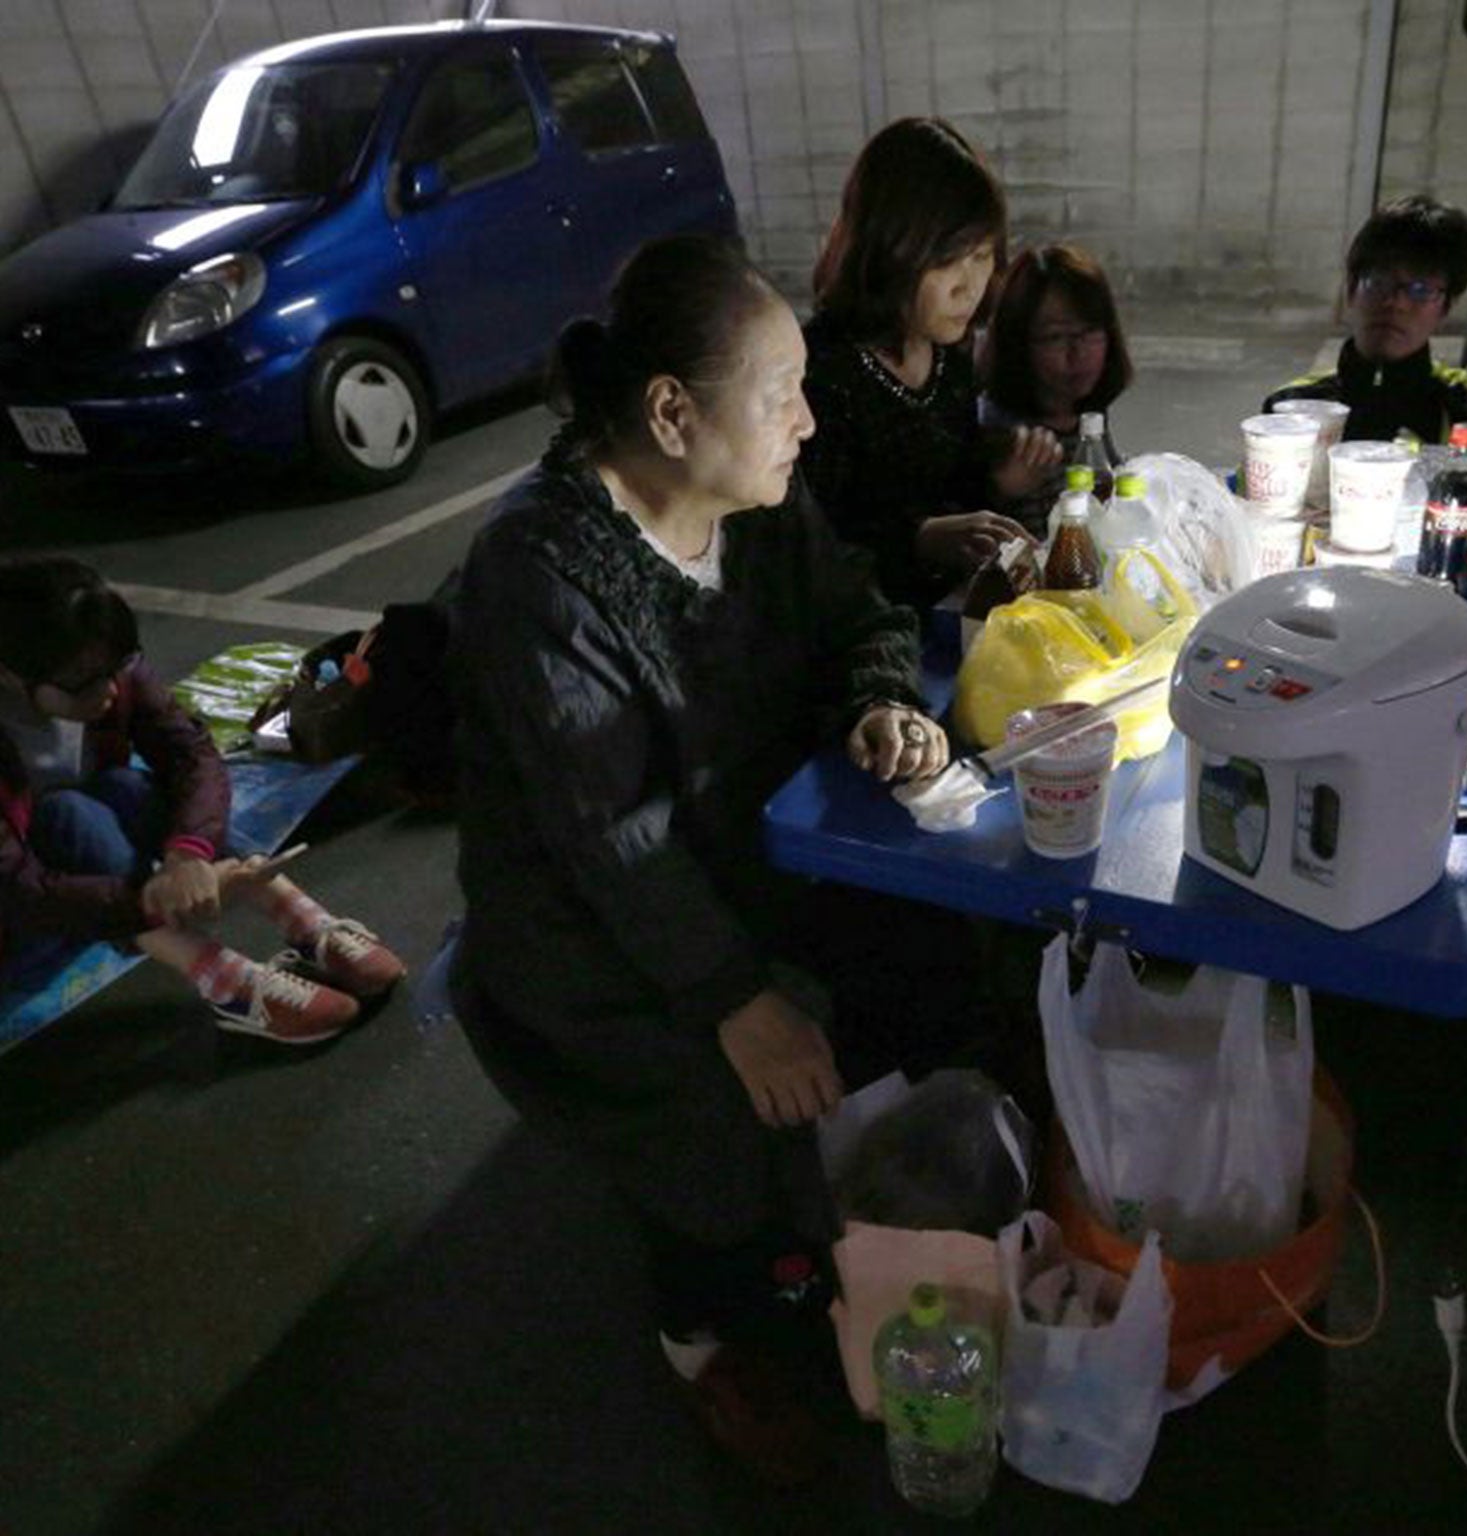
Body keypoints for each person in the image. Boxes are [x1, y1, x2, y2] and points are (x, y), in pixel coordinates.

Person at [449, 233, 993, 1483]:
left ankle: (850, 1233)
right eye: (782, 392)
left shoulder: (754, 503)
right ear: (669, 411)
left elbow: (859, 609)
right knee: (727, 1120)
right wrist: (732, 1003)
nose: (805, 421)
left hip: (732, 859)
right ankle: (697, 1333)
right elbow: (610, 840)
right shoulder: (538, 577)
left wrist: (875, 701)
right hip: (587, 933)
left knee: (917, 965)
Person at [0, 557, 405, 1042]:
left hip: (76, 839)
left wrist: (188, 854)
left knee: (127, 787)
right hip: (24, 889)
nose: (110, 689)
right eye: (86, 681)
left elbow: (188, 751)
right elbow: (20, 892)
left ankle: (302, 920)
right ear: (9, 674)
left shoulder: (103, 667)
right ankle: (225, 981)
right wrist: (150, 902)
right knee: (68, 814)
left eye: (118, 667)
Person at [801, 117, 1062, 607]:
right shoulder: (821, 374)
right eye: (947, 262)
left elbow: (951, 489)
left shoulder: (948, 355)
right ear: (888, 254)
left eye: (982, 256)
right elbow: (812, 550)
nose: (970, 286)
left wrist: (999, 481)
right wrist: (919, 539)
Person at [1265, 194, 1467, 509]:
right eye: (1379, 282)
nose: (1396, 303)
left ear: (1446, 307)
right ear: (1352, 289)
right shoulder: (1291, 406)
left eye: (1420, 290)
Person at [977, 241, 1136, 528]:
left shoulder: (1089, 414)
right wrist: (1001, 491)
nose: (1078, 353)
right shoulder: (995, 430)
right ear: (1018, 344)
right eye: (1055, 337)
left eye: (1090, 333)